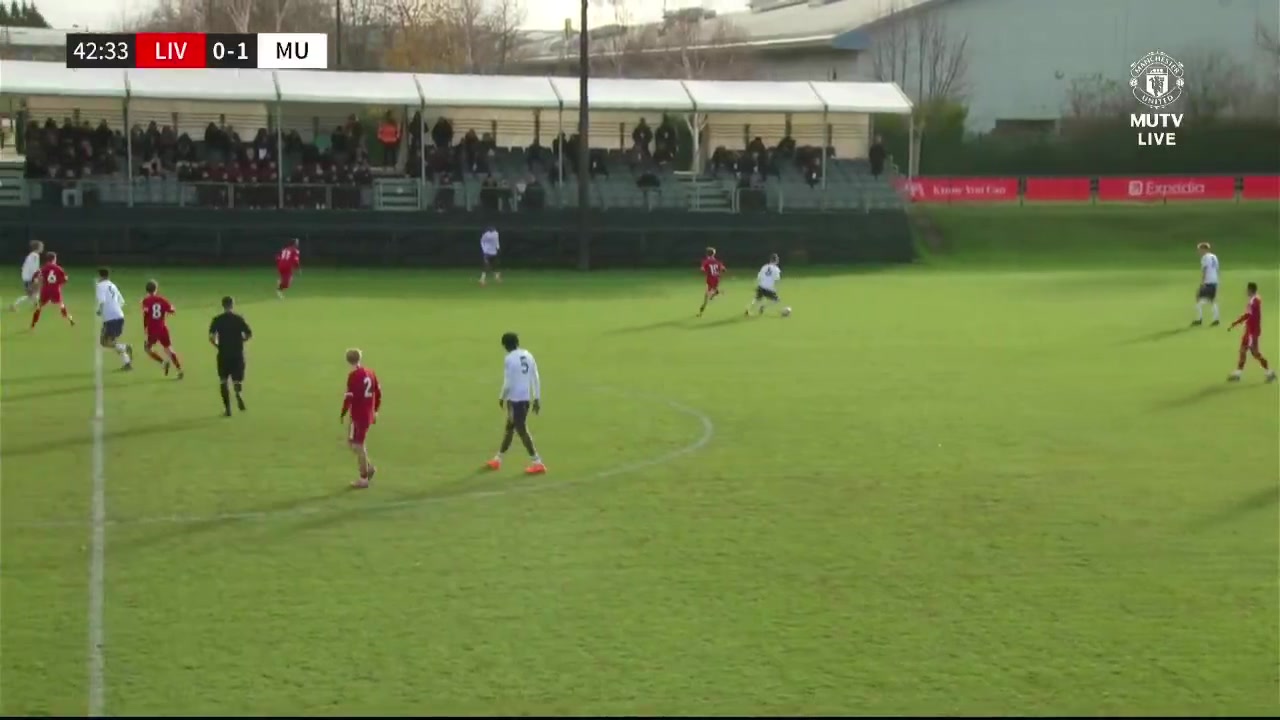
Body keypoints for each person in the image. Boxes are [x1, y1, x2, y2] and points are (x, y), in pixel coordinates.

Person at [485, 332, 545, 474]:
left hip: (515, 399)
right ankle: (498, 459)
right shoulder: (528, 355)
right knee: (510, 428)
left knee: (521, 430)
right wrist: (536, 397)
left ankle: (537, 462)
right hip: (525, 398)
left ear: (505, 345)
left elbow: (508, 382)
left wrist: (502, 396)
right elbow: (535, 376)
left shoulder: (509, 359)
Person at [340, 348, 383, 489]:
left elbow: (349, 397)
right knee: (352, 443)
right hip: (367, 414)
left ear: (347, 360)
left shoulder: (353, 376)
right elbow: (378, 392)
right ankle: (368, 468)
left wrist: (343, 412)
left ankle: (364, 479)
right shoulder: (370, 372)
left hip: (358, 415)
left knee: (358, 445)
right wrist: (375, 410)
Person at [208, 296, 252, 416]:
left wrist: (217, 345)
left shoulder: (217, 320)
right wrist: (242, 341)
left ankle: (227, 409)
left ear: (223, 305)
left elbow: (211, 337)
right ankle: (238, 393)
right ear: (232, 305)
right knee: (237, 380)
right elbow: (248, 334)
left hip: (223, 354)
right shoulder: (239, 319)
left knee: (223, 381)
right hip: (237, 354)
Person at [1227, 282, 1276, 383]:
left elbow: (1248, 315)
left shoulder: (1253, 301)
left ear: (1250, 290)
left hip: (1252, 332)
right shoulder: (1256, 299)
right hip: (1250, 331)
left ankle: (1270, 373)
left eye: (1247, 290)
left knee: (1255, 353)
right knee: (1243, 351)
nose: (1246, 291)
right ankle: (1238, 373)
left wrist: (1236, 323)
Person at [141, 279, 183, 379]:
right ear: (156, 289)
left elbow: (146, 315)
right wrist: (166, 313)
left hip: (152, 329)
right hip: (163, 328)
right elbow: (172, 310)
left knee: (148, 349)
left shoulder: (146, 301)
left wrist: (145, 327)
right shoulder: (162, 299)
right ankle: (179, 370)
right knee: (169, 349)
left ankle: (163, 363)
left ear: (146, 290)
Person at [95, 268, 132, 370]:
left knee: (105, 342)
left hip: (110, 319)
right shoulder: (113, 285)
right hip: (119, 316)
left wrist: (100, 311)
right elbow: (122, 301)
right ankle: (127, 363)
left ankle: (125, 347)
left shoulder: (100, 286)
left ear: (100, 276)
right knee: (113, 342)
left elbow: (102, 301)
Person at [31, 251, 74, 329]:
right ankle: (69, 319)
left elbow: (36, 275)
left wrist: (35, 280)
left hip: (45, 290)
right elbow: (65, 279)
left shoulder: (44, 267)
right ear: (54, 259)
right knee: (61, 305)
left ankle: (33, 324)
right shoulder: (59, 268)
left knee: (39, 307)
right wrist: (61, 282)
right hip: (55, 290)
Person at [1193, 242, 1220, 326]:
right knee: (1211, 300)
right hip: (1214, 281)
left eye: (1200, 249)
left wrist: (1202, 282)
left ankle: (1199, 319)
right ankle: (1216, 319)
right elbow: (1217, 269)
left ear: (1204, 249)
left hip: (1208, 281)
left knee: (1198, 297)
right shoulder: (1214, 257)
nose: (1199, 251)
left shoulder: (1205, 257)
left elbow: (1205, 270)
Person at [11, 240, 42, 311]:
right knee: (31, 294)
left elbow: (26, 267)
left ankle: (36, 305)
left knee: (35, 292)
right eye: (41, 246)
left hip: (27, 277)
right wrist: (35, 277)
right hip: (30, 278)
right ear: (38, 247)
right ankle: (15, 305)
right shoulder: (35, 256)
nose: (42, 248)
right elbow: (33, 268)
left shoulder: (31, 255)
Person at [698, 246, 727, 317]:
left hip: (709, 279)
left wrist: (706, 271)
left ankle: (702, 309)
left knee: (706, 295)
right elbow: (724, 269)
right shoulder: (717, 262)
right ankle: (716, 292)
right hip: (716, 279)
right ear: (714, 254)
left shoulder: (706, 261)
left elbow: (702, 269)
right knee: (709, 294)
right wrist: (720, 271)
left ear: (707, 254)